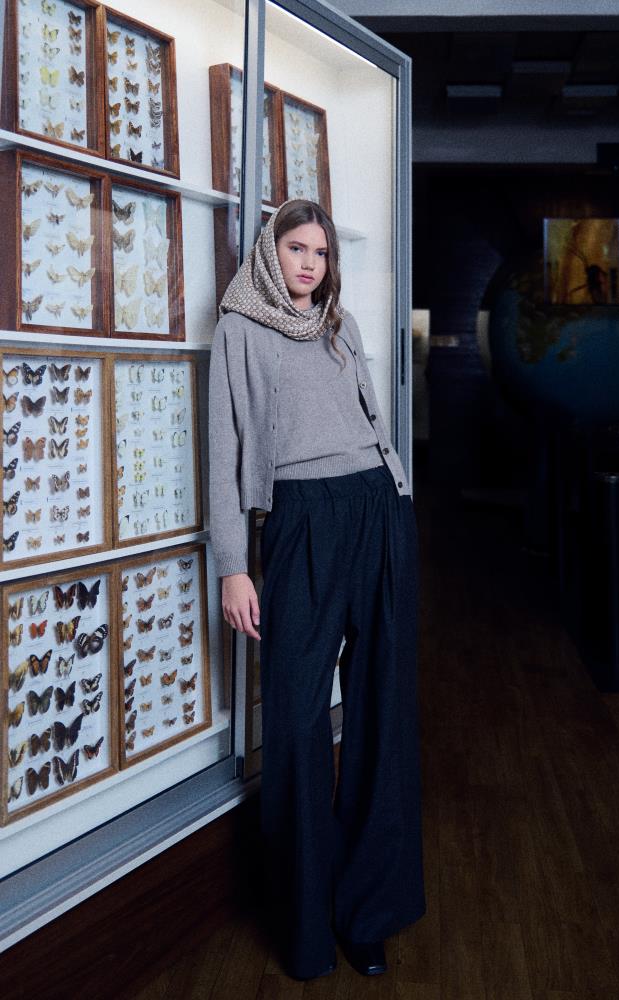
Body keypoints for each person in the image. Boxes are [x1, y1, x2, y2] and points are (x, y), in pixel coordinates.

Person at [208, 197, 426, 981]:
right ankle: (304, 925)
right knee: (297, 718)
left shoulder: (339, 324)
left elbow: (371, 417)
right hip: (301, 518)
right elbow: (226, 448)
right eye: (297, 249)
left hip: (376, 505)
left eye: (321, 253)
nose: (309, 264)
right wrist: (235, 562)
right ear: (271, 253)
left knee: (382, 706)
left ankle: (368, 910)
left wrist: (397, 491)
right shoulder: (240, 329)